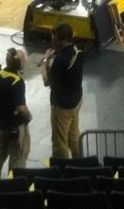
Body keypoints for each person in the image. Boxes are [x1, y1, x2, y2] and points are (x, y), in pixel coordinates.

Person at [0, 47, 31, 178]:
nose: (25, 61)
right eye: (23, 59)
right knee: (17, 157)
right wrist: (28, 117)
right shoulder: (17, 81)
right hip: (15, 127)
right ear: (19, 63)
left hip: (0, 125)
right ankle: (15, 184)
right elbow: (21, 108)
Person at [41, 22, 84, 159]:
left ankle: (63, 173)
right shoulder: (78, 50)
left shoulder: (60, 61)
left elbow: (47, 81)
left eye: (55, 39)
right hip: (76, 101)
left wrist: (45, 61)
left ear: (65, 40)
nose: (52, 42)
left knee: (60, 143)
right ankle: (80, 164)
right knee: (73, 136)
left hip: (62, 107)